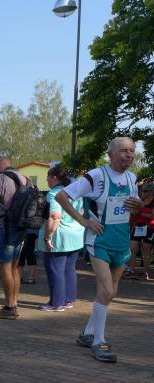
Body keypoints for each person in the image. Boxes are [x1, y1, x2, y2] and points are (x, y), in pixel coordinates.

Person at [55, 137, 143, 362]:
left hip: (121, 241)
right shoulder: (95, 176)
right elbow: (61, 196)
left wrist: (139, 206)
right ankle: (98, 341)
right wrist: (83, 221)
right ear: (111, 153)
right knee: (107, 291)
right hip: (99, 241)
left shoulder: (132, 178)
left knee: (109, 293)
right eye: (123, 150)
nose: (129, 155)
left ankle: (87, 333)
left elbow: (135, 208)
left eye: (132, 151)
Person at [0, 156, 30, 319]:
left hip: (4, 227)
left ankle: (9, 308)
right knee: (15, 267)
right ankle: (14, 302)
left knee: (4, 268)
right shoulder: (25, 178)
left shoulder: (0, 178)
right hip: (20, 227)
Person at [38, 165, 84, 312]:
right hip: (76, 235)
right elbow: (82, 212)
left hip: (59, 237)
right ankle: (68, 299)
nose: (47, 181)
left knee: (55, 270)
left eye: (48, 178)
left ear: (54, 178)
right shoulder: (76, 193)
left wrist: (47, 237)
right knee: (69, 269)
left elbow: (54, 216)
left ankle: (56, 303)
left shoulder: (54, 194)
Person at [126, 183, 154, 281]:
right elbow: (134, 213)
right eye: (142, 191)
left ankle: (145, 272)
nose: (143, 193)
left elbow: (152, 216)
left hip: (149, 227)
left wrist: (140, 213)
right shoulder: (141, 201)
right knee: (132, 248)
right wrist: (134, 213)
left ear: (151, 192)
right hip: (138, 226)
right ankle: (130, 270)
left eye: (145, 191)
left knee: (145, 250)